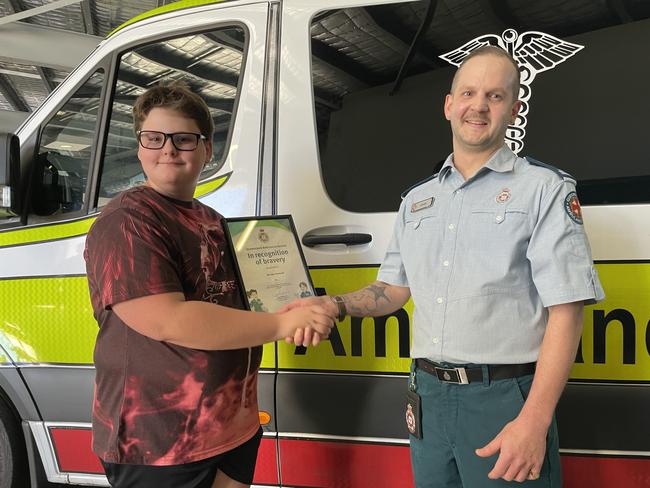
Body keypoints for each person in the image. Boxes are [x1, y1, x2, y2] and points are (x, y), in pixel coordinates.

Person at [284, 46, 604, 487]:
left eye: (495, 96)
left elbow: (567, 311)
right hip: (428, 397)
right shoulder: (416, 201)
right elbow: (391, 291)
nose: (479, 105)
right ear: (449, 105)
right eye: (469, 93)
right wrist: (333, 304)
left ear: (514, 109)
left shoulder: (544, 189)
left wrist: (534, 422)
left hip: (503, 399)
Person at [84, 81, 335, 488]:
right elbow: (167, 320)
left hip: (231, 427)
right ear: (140, 148)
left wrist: (300, 307)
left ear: (207, 150)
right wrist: (286, 323)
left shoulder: (215, 221)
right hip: (162, 441)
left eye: (183, 139)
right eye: (154, 138)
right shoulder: (128, 220)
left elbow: (253, 302)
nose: (168, 149)